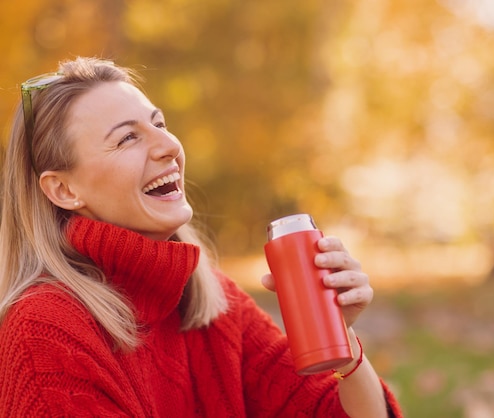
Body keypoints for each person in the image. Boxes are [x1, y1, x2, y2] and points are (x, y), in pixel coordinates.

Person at [0, 57, 402, 417]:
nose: (169, 146)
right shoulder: (45, 331)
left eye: (159, 124)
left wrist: (339, 336)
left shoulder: (212, 301)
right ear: (64, 191)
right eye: (127, 138)